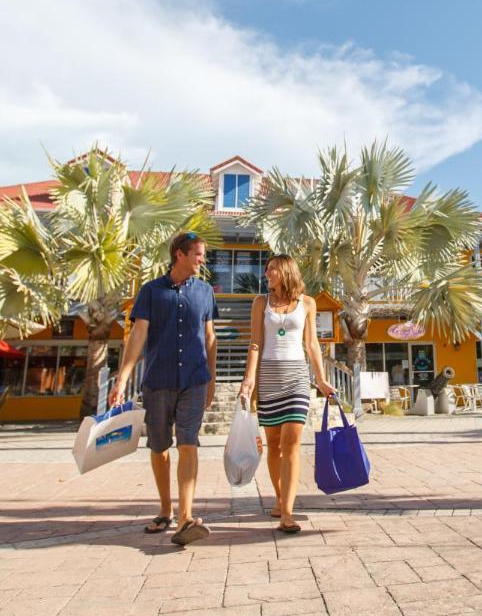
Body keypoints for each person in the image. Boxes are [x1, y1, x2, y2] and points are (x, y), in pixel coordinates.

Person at [110, 231, 218, 545]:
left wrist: (211, 377)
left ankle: (186, 517)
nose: (202, 260)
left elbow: (210, 338)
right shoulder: (151, 292)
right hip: (158, 380)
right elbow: (138, 336)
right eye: (198, 254)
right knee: (159, 446)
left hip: (195, 380)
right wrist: (122, 377)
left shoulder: (205, 292)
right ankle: (165, 509)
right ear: (180, 255)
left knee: (188, 442)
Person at [239, 255, 334, 534]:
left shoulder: (307, 303)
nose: (267, 272)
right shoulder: (260, 303)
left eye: (272, 268)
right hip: (268, 376)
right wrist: (248, 381)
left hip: (296, 378)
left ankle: (288, 513)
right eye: (267, 269)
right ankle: (279, 499)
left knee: (292, 443)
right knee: (274, 444)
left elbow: (312, 345)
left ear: (286, 270)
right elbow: (255, 343)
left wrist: (321, 379)